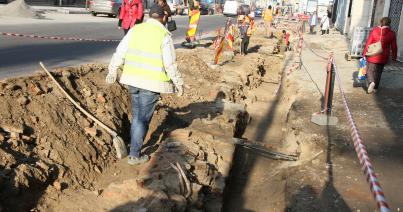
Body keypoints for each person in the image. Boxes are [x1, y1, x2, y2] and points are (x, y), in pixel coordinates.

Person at [106, 4, 184, 165]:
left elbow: (120, 52)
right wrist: (178, 83)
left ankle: (134, 147)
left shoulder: (136, 29)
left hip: (133, 81)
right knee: (142, 120)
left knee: (137, 117)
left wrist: (112, 70)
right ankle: (135, 154)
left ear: (150, 16)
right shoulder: (164, 35)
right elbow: (170, 64)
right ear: (164, 17)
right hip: (151, 83)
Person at [362, 17, 397, 93]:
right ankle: (375, 88)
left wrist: (364, 53)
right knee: (378, 72)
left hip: (372, 54)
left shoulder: (374, 31)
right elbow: (394, 47)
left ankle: (371, 82)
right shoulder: (392, 33)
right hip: (383, 56)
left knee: (369, 70)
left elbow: (368, 42)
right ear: (389, 23)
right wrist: (394, 57)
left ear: (381, 22)